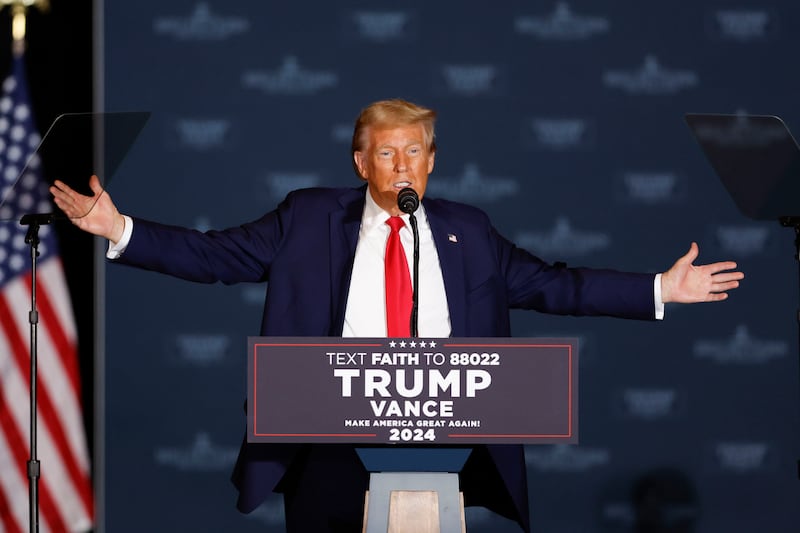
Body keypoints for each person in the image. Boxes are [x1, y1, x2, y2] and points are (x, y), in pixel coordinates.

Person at [50, 99, 743, 533]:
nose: (404, 163)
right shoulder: (308, 217)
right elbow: (215, 255)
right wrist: (122, 229)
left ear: (433, 163)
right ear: (362, 161)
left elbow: (554, 285)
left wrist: (657, 287)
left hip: (439, 437)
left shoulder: (467, 231)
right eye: (389, 151)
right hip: (326, 440)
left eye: (416, 151)